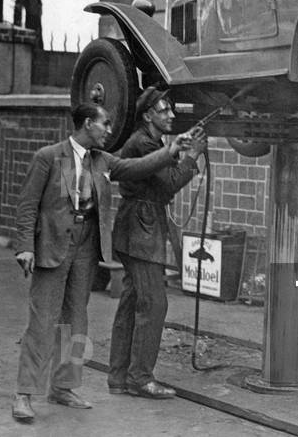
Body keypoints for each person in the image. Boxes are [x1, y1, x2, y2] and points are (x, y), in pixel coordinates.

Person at [11, 102, 200, 424]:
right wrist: (25, 247)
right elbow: (28, 204)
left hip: (86, 247)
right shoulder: (48, 156)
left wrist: (172, 150)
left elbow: (137, 167)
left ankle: (64, 386)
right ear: (87, 124)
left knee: (77, 320)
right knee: (43, 321)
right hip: (53, 246)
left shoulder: (102, 161)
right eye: (105, 124)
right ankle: (24, 394)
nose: (110, 130)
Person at [107, 87, 207, 399]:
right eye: (164, 110)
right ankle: (140, 378)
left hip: (134, 226)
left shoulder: (146, 141)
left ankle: (119, 377)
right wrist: (191, 157)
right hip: (142, 228)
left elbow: (161, 180)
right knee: (154, 303)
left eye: (171, 109)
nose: (171, 115)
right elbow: (169, 184)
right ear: (148, 115)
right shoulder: (144, 142)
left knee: (131, 303)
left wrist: (180, 151)